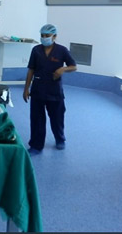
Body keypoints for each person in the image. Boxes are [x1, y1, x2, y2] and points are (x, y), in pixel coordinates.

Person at [23, 24, 77, 154]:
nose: (44, 38)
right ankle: (36, 145)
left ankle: (60, 139)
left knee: (57, 118)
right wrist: (26, 89)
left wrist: (63, 69)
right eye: (42, 35)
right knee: (37, 119)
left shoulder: (62, 50)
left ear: (54, 36)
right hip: (38, 90)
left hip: (54, 91)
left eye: (47, 35)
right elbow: (31, 70)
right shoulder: (36, 50)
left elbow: (73, 66)